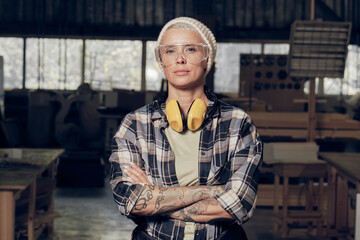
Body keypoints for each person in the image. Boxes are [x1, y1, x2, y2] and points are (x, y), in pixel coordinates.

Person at [109, 16, 263, 240]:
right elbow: (128, 200)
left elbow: (239, 203)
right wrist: (216, 192)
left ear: (207, 59)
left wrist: (156, 198)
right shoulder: (135, 124)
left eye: (190, 49)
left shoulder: (238, 123)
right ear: (161, 61)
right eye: (170, 51)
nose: (179, 59)